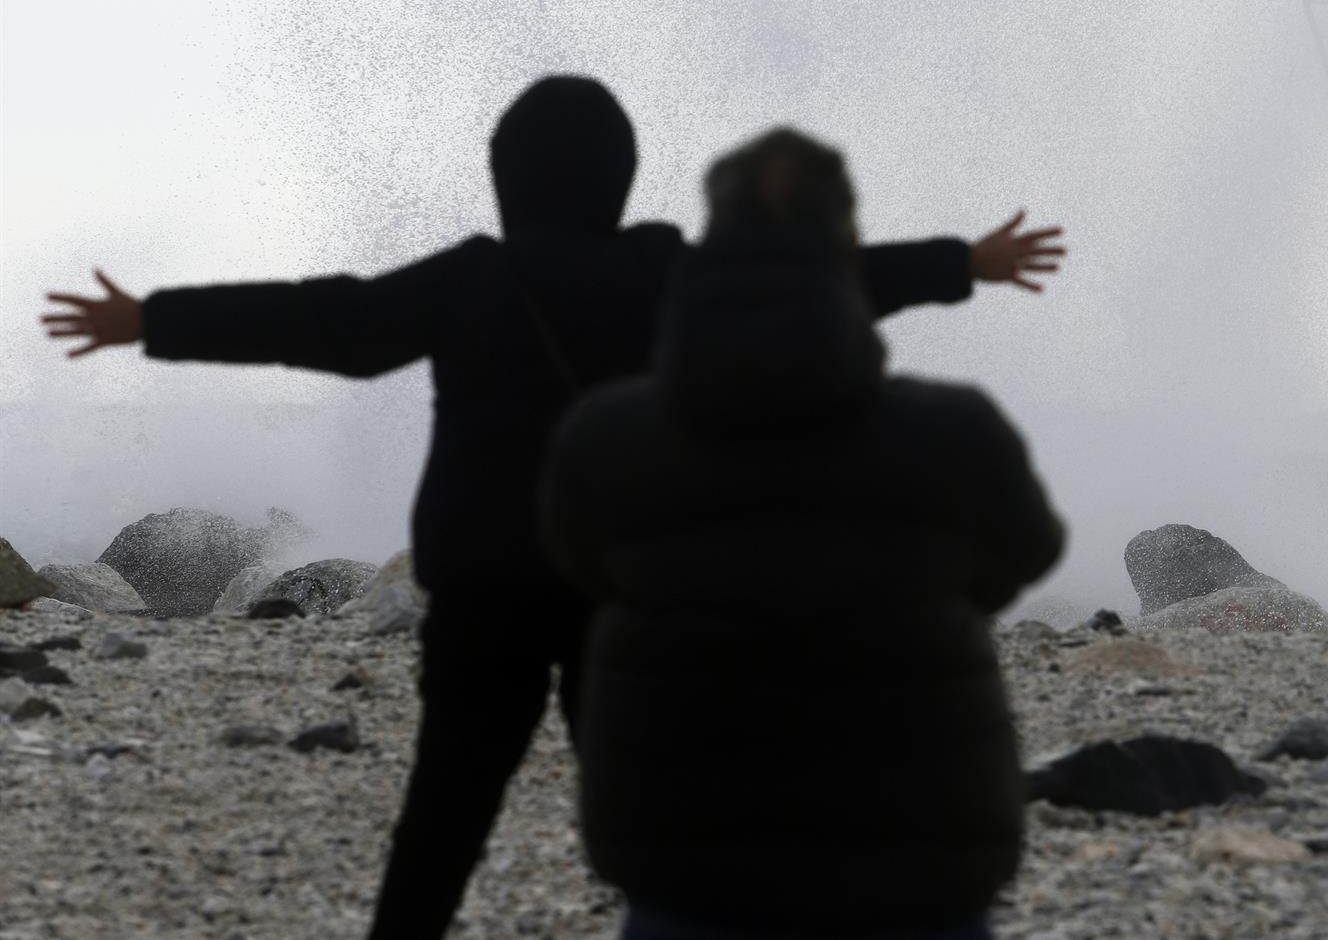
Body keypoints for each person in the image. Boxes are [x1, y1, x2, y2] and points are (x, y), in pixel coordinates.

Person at [39, 76, 1067, 939]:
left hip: (483, 591)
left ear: (505, 177)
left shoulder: (472, 281)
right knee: (664, 807)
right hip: (611, 585)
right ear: (618, 178)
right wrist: (961, 263)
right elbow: (818, 280)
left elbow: (330, 319)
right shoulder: (666, 269)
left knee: (443, 811)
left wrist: (150, 319)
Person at [540, 128, 1066, 940]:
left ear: (709, 239)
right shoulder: (954, 433)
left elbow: (579, 561)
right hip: (913, 859)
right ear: (850, 243)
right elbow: (1026, 552)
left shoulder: (606, 439)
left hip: (689, 865)